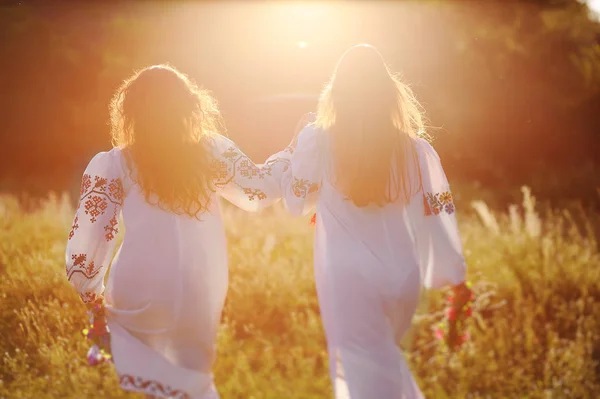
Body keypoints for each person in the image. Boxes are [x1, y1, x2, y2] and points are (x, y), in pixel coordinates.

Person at [64, 64, 293, 399]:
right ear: (188, 107)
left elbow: (91, 239)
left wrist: (92, 295)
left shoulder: (116, 163)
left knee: (158, 387)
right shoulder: (212, 152)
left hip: (141, 288)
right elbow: (259, 191)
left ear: (132, 111)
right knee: (192, 376)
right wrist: (294, 151)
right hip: (200, 285)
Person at [277, 44, 471, 398]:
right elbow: (437, 218)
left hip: (347, 281)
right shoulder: (415, 150)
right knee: (382, 370)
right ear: (388, 93)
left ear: (337, 92)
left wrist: (295, 149)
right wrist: (454, 276)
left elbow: (297, 203)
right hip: (402, 279)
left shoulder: (318, 141)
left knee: (368, 379)